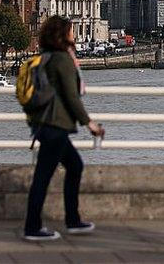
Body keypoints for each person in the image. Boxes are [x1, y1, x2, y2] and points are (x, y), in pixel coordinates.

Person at [24, 16, 105, 241]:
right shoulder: (62, 60)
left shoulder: (47, 57)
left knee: (75, 166)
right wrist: (89, 123)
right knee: (42, 178)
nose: (75, 34)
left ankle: (73, 219)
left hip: (46, 124)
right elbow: (71, 96)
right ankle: (33, 227)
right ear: (62, 35)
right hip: (55, 125)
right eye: (71, 31)